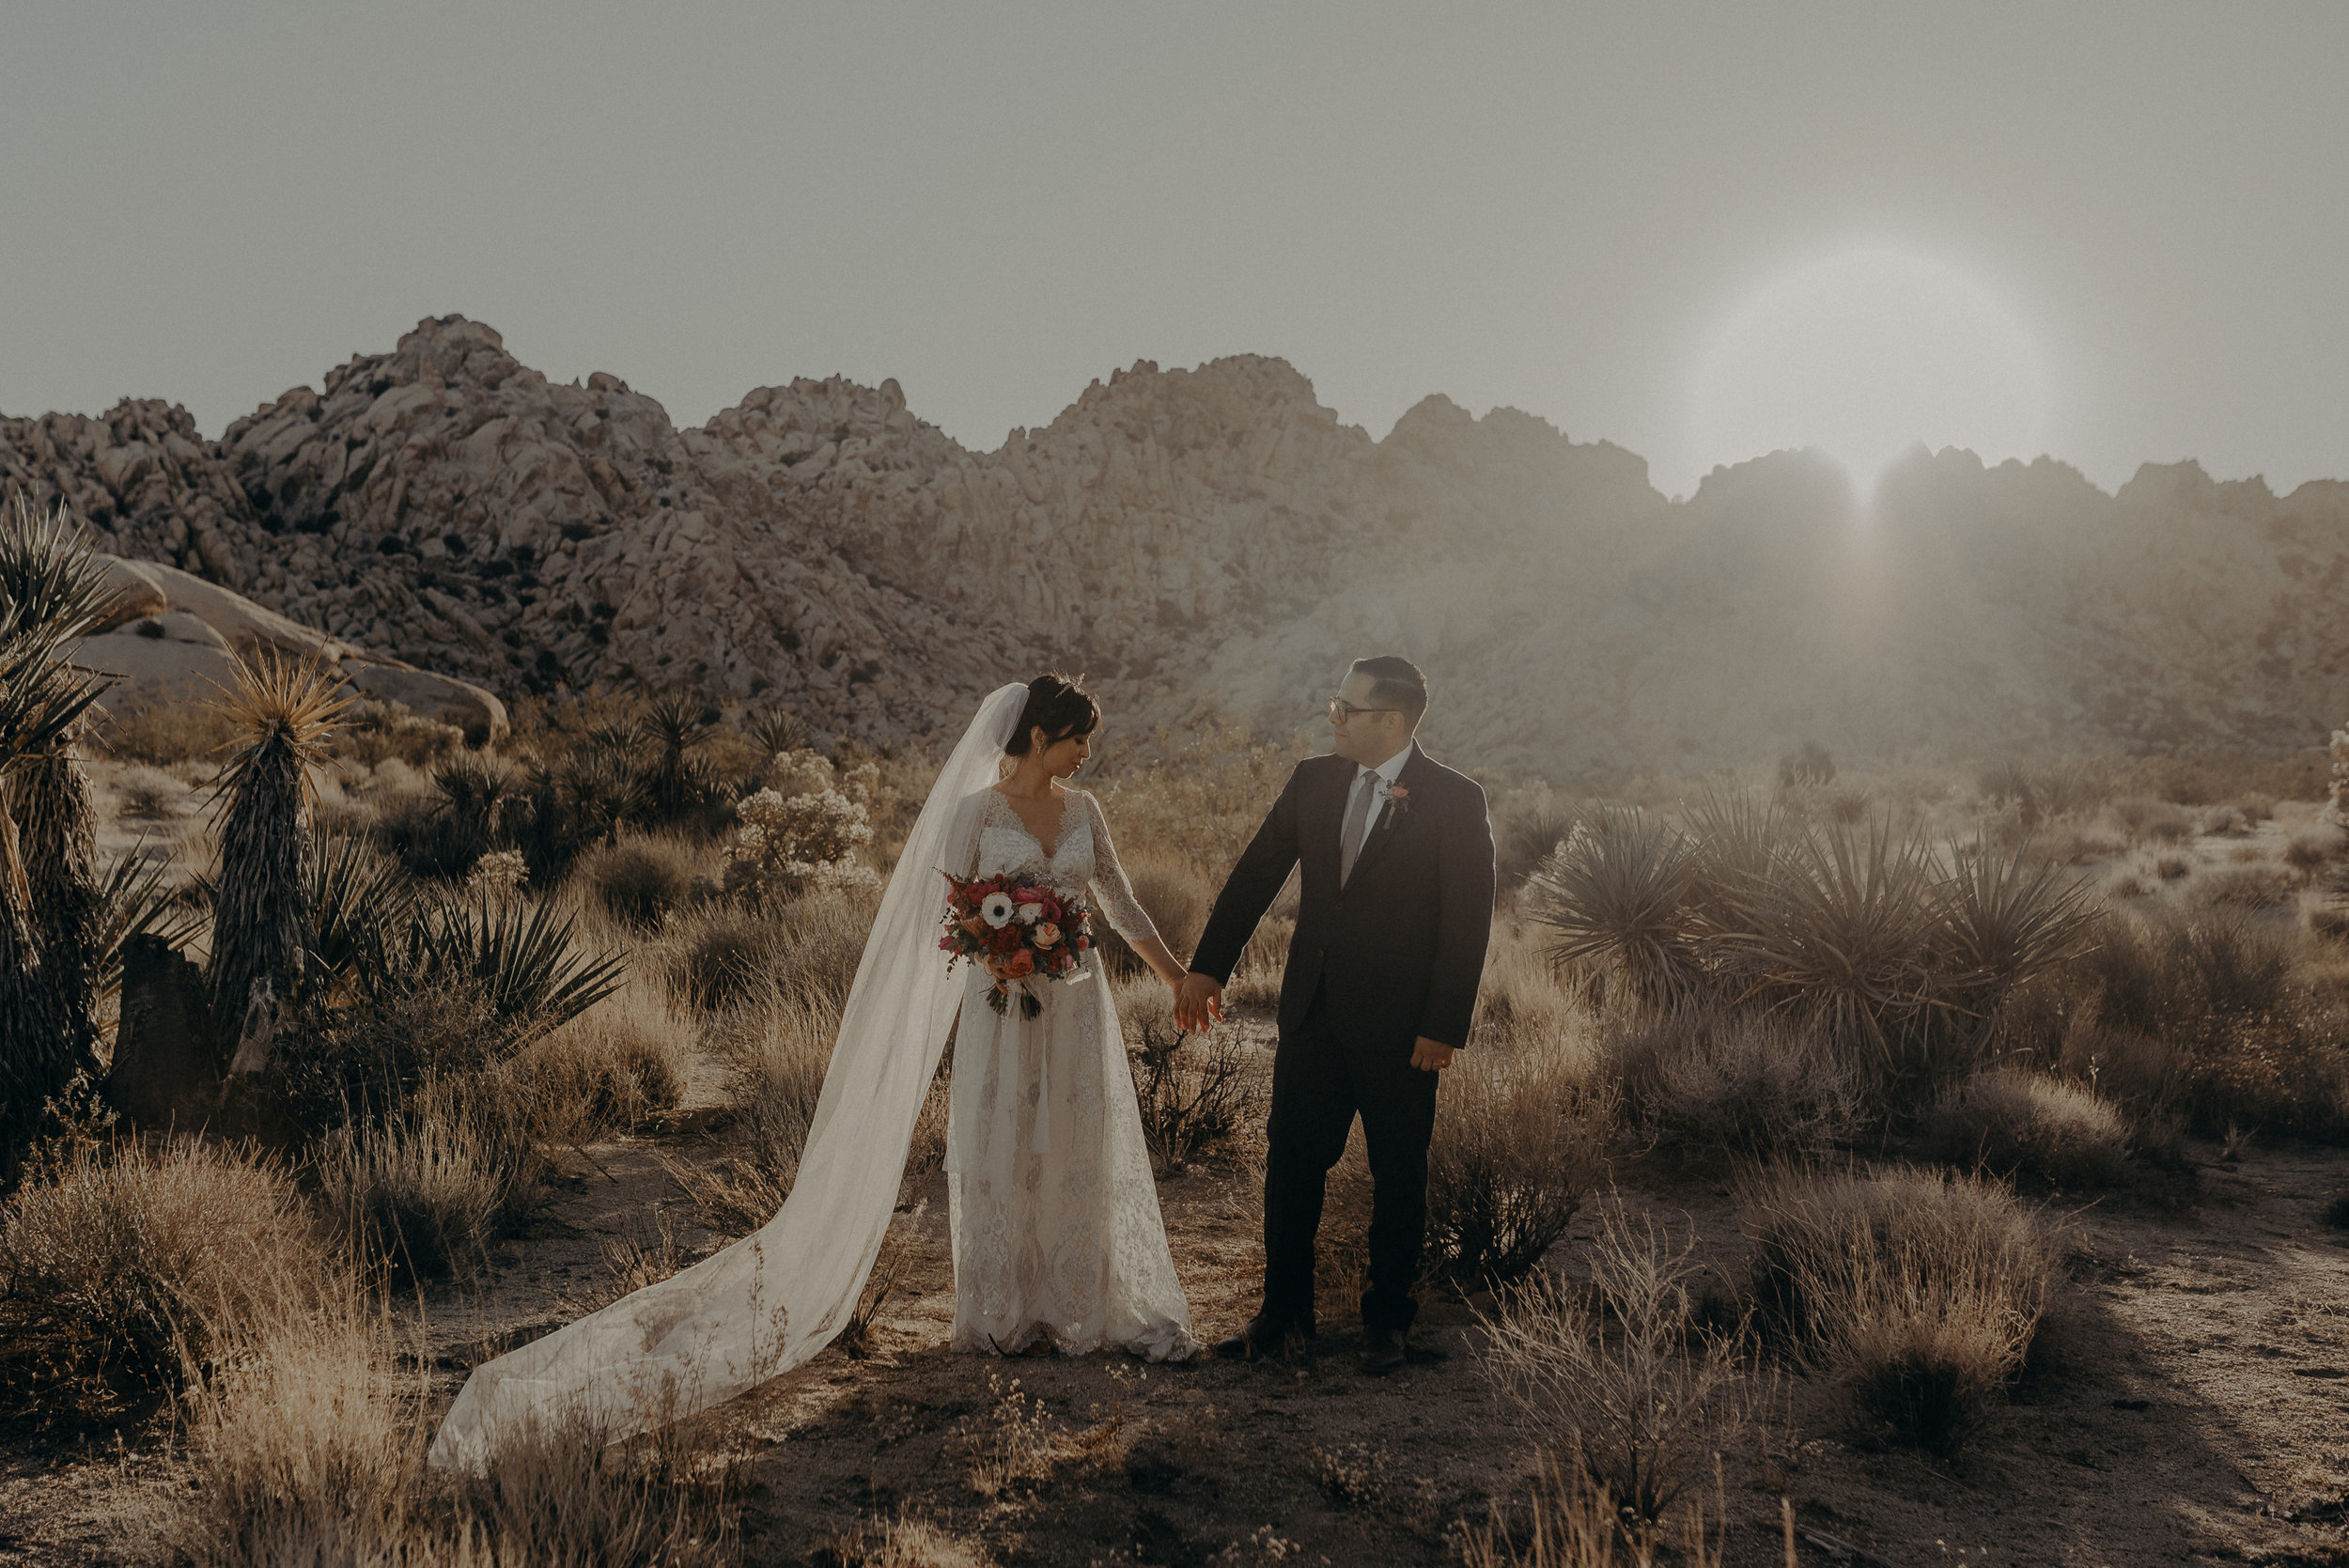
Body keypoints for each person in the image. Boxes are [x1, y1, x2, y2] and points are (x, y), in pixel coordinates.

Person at [428, 675, 1191, 1473]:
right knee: (1001, 1145)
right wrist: (996, 944)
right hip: (1001, 1011)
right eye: (1079, 738)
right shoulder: (975, 814)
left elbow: (1125, 906)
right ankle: (1005, 1313)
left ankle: (1075, 1307)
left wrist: (1177, 979)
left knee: (1073, 1142)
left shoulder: (1085, 812)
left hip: (1074, 1010)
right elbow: (945, 919)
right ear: (1041, 736)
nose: (1086, 753)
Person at [1177, 655, 1495, 1375]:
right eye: (1335, 705)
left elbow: (1468, 920)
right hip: (1313, 1016)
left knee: (1398, 1174)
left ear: (1390, 719)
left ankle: (1387, 1324)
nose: (1334, 718)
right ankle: (1284, 1317)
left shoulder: (1455, 799)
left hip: (1404, 1029)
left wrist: (1444, 1024)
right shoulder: (1312, 781)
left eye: (1345, 709)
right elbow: (1257, 872)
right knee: (1291, 1165)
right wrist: (1206, 966)